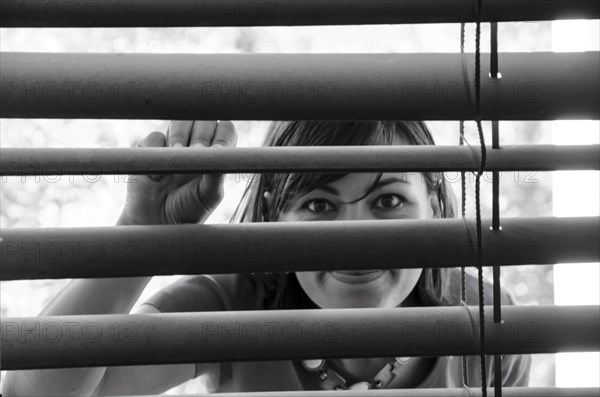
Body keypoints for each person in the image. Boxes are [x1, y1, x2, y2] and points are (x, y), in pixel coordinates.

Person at [3, 120, 531, 396]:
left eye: (388, 201)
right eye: (320, 204)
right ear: (273, 221)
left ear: (435, 204)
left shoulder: (484, 322)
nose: (356, 237)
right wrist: (141, 235)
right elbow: (37, 392)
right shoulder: (231, 310)